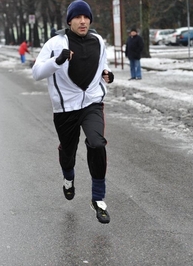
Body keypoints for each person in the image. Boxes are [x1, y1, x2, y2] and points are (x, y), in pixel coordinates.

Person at [32, 0, 114, 224]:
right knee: (68, 151)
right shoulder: (55, 43)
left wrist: (108, 74)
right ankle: (69, 178)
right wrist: (56, 61)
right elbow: (37, 72)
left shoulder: (98, 40)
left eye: (86, 17)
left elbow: (102, 66)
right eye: (78, 17)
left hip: (92, 103)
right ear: (70, 21)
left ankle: (98, 199)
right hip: (65, 108)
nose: (83, 21)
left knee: (97, 143)